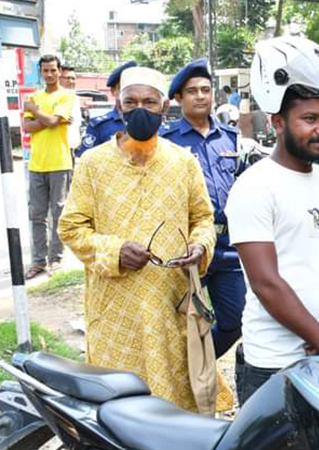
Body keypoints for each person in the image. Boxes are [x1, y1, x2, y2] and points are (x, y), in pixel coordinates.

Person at [58, 66, 216, 412]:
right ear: (118, 107)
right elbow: (71, 227)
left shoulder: (183, 161)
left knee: (174, 405)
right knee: (119, 408)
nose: (139, 109)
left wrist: (199, 246)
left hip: (170, 306)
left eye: (149, 101)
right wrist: (114, 251)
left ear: (163, 107)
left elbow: (203, 218)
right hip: (115, 312)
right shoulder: (92, 164)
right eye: (131, 101)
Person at [225, 36, 319, 403]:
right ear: (278, 123)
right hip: (274, 364)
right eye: (310, 119)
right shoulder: (254, 187)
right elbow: (266, 282)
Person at [160, 58, 246, 359]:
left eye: (206, 90)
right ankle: (183, 380)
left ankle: (198, 367)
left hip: (226, 246)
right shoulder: (166, 141)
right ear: (179, 98)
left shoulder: (231, 137)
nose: (200, 96)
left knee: (235, 321)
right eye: (192, 91)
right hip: (187, 245)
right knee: (178, 321)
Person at [22, 54, 75, 279]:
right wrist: (49, 119)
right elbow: (26, 127)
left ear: (59, 71)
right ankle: (38, 262)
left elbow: (52, 122)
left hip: (60, 162)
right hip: (36, 164)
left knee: (59, 213)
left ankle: (56, 259)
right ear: (41, 72)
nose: (50, 74)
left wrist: (35, 112)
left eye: (54, 70)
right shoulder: (34, 96)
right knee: (37, 215)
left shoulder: (66, 96)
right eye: (46, 70)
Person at [77, 61, 137, 156]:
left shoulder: (148, 122)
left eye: (132, 88)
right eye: (123, 88)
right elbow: (84, 159)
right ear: (113, 91)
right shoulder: (100, 125)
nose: (128, 93)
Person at [60, 65, 83, 156]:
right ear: (59, 79)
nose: (71, 81)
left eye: (73, 78)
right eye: (67, 78)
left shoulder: (75, 98)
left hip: (71, 150)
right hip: (58, 149)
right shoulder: (54, 97)